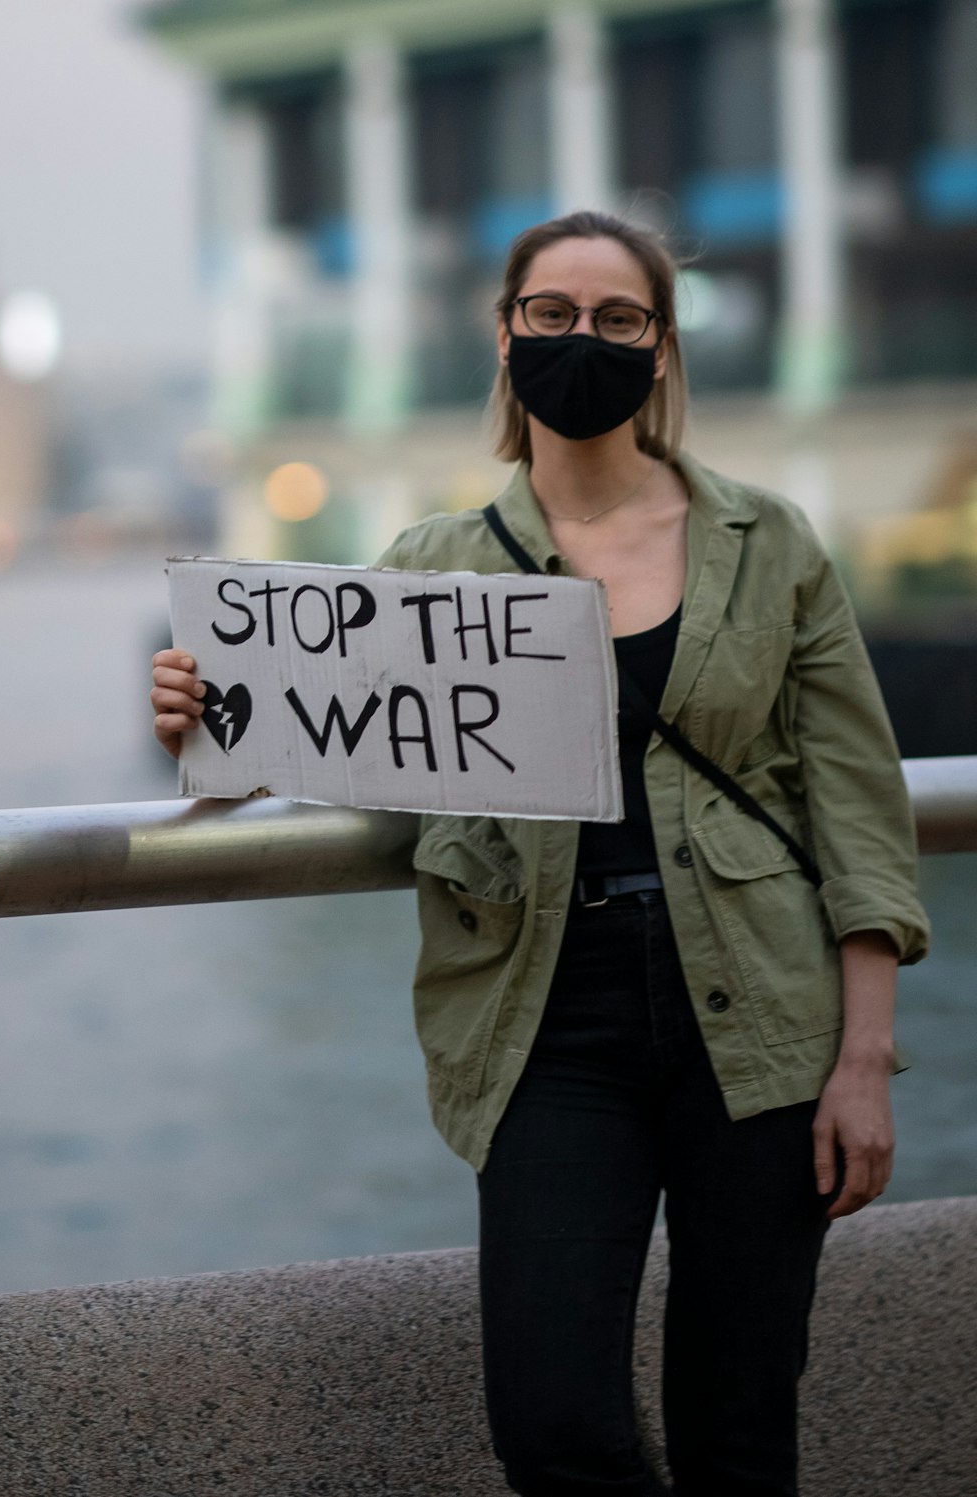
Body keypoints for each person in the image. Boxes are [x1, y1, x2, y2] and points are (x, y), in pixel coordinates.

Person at [151, 210, 929, 1497]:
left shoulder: (768, 541)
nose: (585, 342)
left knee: (741, 1427)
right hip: (542, 1025)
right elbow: (336, 743)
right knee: (552, 1426)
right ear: (505, 336)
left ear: (663, 347)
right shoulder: (432, 569)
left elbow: (857, 807)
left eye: (619, 319)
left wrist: (862, 1061)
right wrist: (203, 718)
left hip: (765, 1018)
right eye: (553, 315)